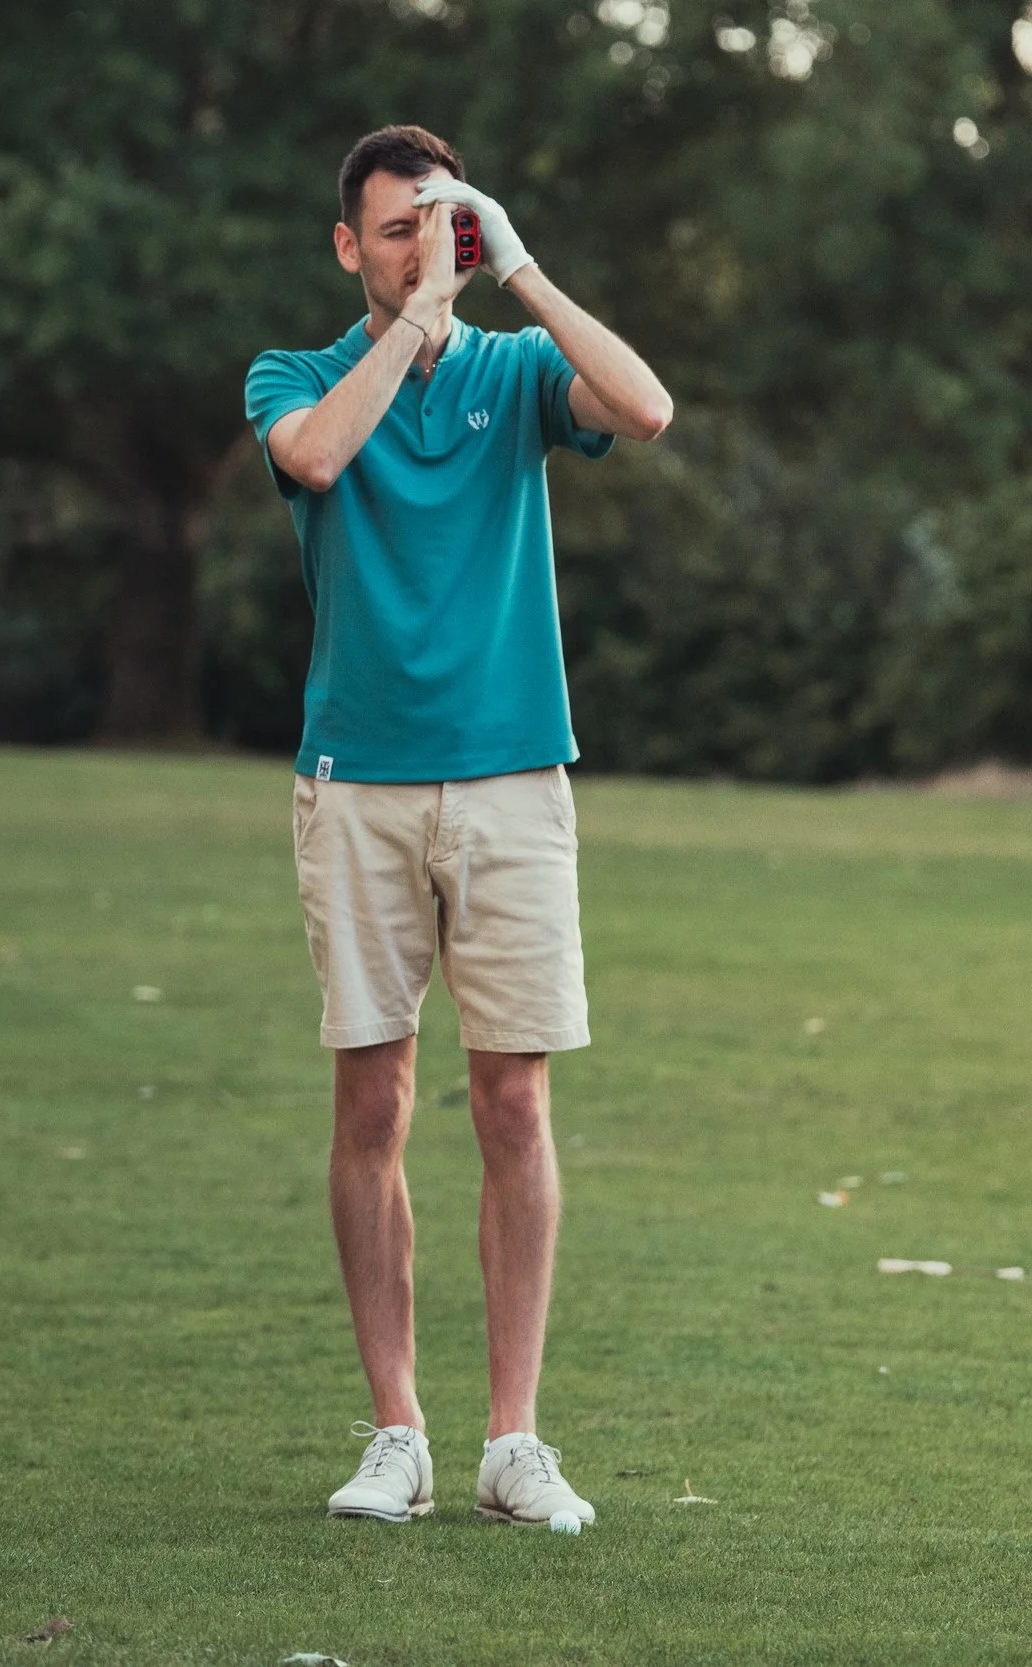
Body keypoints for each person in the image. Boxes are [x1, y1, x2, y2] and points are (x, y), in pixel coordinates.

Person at [243, 125, 673, 1527]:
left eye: (438, 230)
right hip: (356, 780)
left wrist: (522, 266)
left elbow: (648, 409)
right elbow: (314, 461)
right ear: (348, 245)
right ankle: (398, 1433)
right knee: (370, 1101)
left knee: (514, 1100)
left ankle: (511, 1440)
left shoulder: (517, 373)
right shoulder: (298, 375)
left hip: (511, 781)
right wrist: (416, 320)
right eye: (392, 232)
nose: (417, 252)